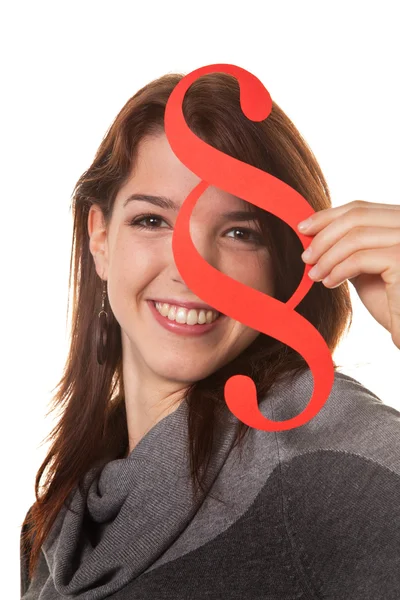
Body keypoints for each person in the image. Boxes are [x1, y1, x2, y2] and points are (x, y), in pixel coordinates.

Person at [20, 71, 400, 599]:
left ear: (284, 265)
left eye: (239, 232)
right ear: (100, 237)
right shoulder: (59, 522)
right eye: (153, 221)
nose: (190, 269)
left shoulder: (320, 453)